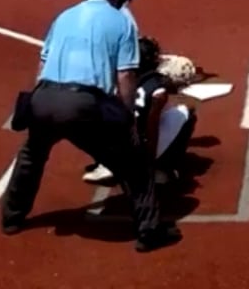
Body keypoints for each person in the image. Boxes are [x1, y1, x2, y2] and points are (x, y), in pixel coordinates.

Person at [0, 0, 179, 252]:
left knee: (31, 155)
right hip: (82, 104)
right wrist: (127, 118)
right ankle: (150, 231)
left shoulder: (64, 16)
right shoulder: (121, 22)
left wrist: (40, 103)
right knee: (133, 162)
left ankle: (12, 217)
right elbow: (125, 75)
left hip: (43, 97)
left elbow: (43, 65)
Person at [85, 38, 205, 187]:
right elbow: (151, 130)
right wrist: (149, 165)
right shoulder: (157, 88)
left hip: (109, 146)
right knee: (187, 112)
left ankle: (106, 165)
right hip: (136, 150)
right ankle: (160, 170)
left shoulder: (115, 77)